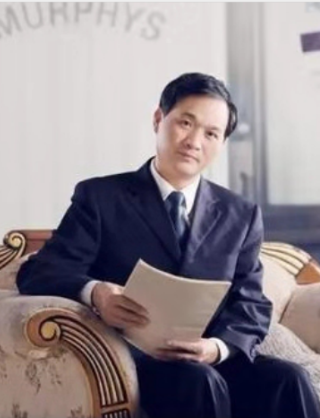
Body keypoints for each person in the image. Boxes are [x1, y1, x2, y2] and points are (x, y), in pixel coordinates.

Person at [16, 72, 320, 418]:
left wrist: (217, 348)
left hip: (209, 355)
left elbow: (251, 303)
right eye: (185, 123)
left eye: (211, 133)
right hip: (134, 362)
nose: (194, 141)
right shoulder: (101, 198)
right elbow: (39, 271)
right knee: (199, 381)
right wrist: (96, 293)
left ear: (221, 144)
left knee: (289, 379)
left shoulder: (241, 214)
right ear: (158, 119)